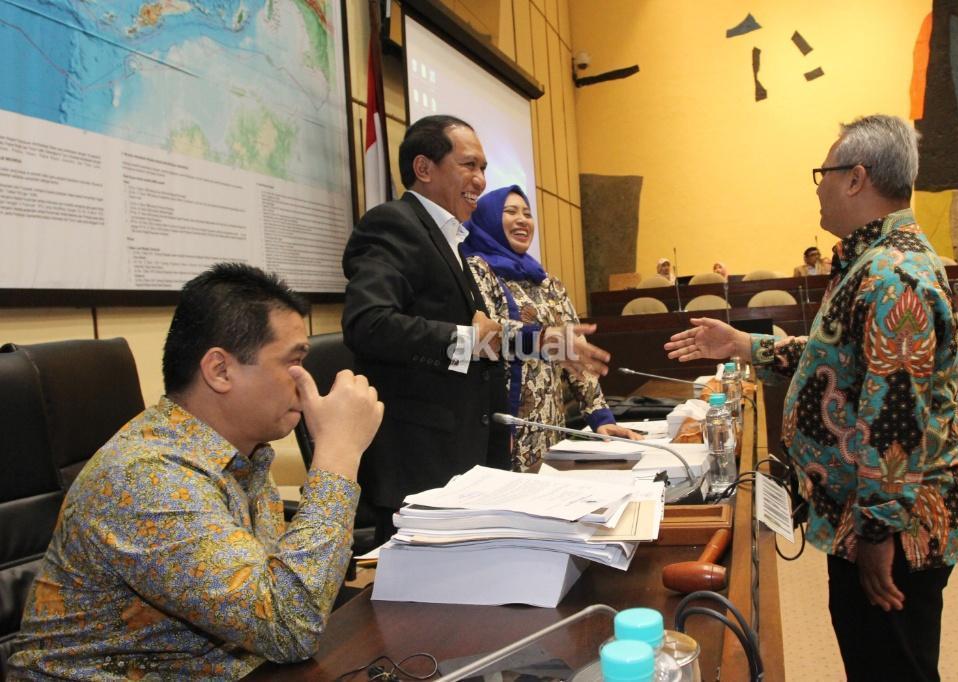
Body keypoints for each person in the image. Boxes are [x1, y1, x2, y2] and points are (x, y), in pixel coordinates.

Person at [665, 115, 958, 682]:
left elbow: (895, 417)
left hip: (891, 530)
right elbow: (844, 359)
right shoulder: (872, 260)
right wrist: (745, 345)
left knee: (892, 667)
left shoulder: (892, 274)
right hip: (869, 517)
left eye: (823, 173)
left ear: (856, 178)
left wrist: (877, 532)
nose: (818, 187)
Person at [8, 263, 384, 679]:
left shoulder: (243, 455)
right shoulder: (147, 478)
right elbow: (289, 627)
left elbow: (277, 606)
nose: (305, 381)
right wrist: (338, 454)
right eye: (292, 362)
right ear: (220, 370)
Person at [343, 116, 606, 542]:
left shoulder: (452, 239)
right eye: (469, 165)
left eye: (483, 168)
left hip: (467, 454)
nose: (480, 180)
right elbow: (368, 324)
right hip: (422, 462)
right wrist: (470, 339)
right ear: (424, 168)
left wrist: (543, 342)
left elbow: (484, 338)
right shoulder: (393, 225)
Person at [463, 185, 636, 470]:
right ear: (488, 219)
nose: (522, 220)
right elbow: (482, 338)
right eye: (511, 212)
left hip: (550, 431)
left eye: (527, 214)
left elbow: (576, 353)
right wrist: (541, 339)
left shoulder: (547, 282)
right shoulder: (477, 270)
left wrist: (601, 418)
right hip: (503, 429)